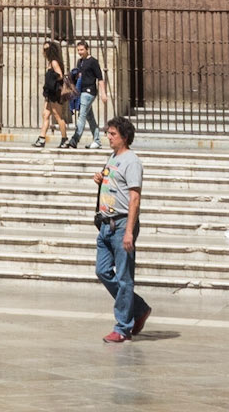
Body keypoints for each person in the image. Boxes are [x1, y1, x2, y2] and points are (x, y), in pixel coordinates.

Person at [94, 116, 150, 344]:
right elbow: (116, 185)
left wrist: (129, 232)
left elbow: (134, 198)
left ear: (124, 137)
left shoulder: (132, 161)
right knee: (103, 270)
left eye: (113, 134)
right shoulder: (112, 158)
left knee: (125, 278)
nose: (108, 137)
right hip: (105, 225)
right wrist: (101, 180)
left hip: (121, 224)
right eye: (108, 133)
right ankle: (138, 307)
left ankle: (123, 327)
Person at [67, 41, 107, 151]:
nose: (80, 52)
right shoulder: (80, 62)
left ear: (87, 49)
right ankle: (97, 140)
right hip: (81, 91)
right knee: (90, 117)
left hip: (89, 92)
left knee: (82, 115)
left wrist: (103, 93)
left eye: (82, 50)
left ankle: (74, 140)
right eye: (78, 50)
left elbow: (100, 78)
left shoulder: (93, 61)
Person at [35, 43, 67, 148]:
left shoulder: (54, 62)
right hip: (49, 93)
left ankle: (64, 139)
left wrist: (52, 81)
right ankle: (41, 138)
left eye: (45, 49)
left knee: (58, 116)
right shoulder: (50, 63)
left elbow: (60, 76)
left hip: (54, 94)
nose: (43, 52)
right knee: (45, 115)